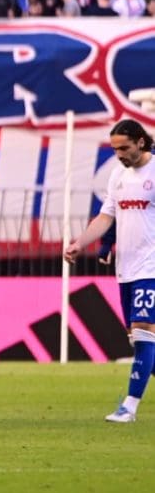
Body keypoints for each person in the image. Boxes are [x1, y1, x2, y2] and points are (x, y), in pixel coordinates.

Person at [65, 120, 155, 423]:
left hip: (151, 267)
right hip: (126, 268)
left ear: (141, 142)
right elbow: (106, 218)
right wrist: (80, 244)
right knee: (139, 339)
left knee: (144, 333)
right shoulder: (118, 175)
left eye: (124, 148)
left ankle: (128, 406)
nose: (119, 154)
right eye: (115, 148)